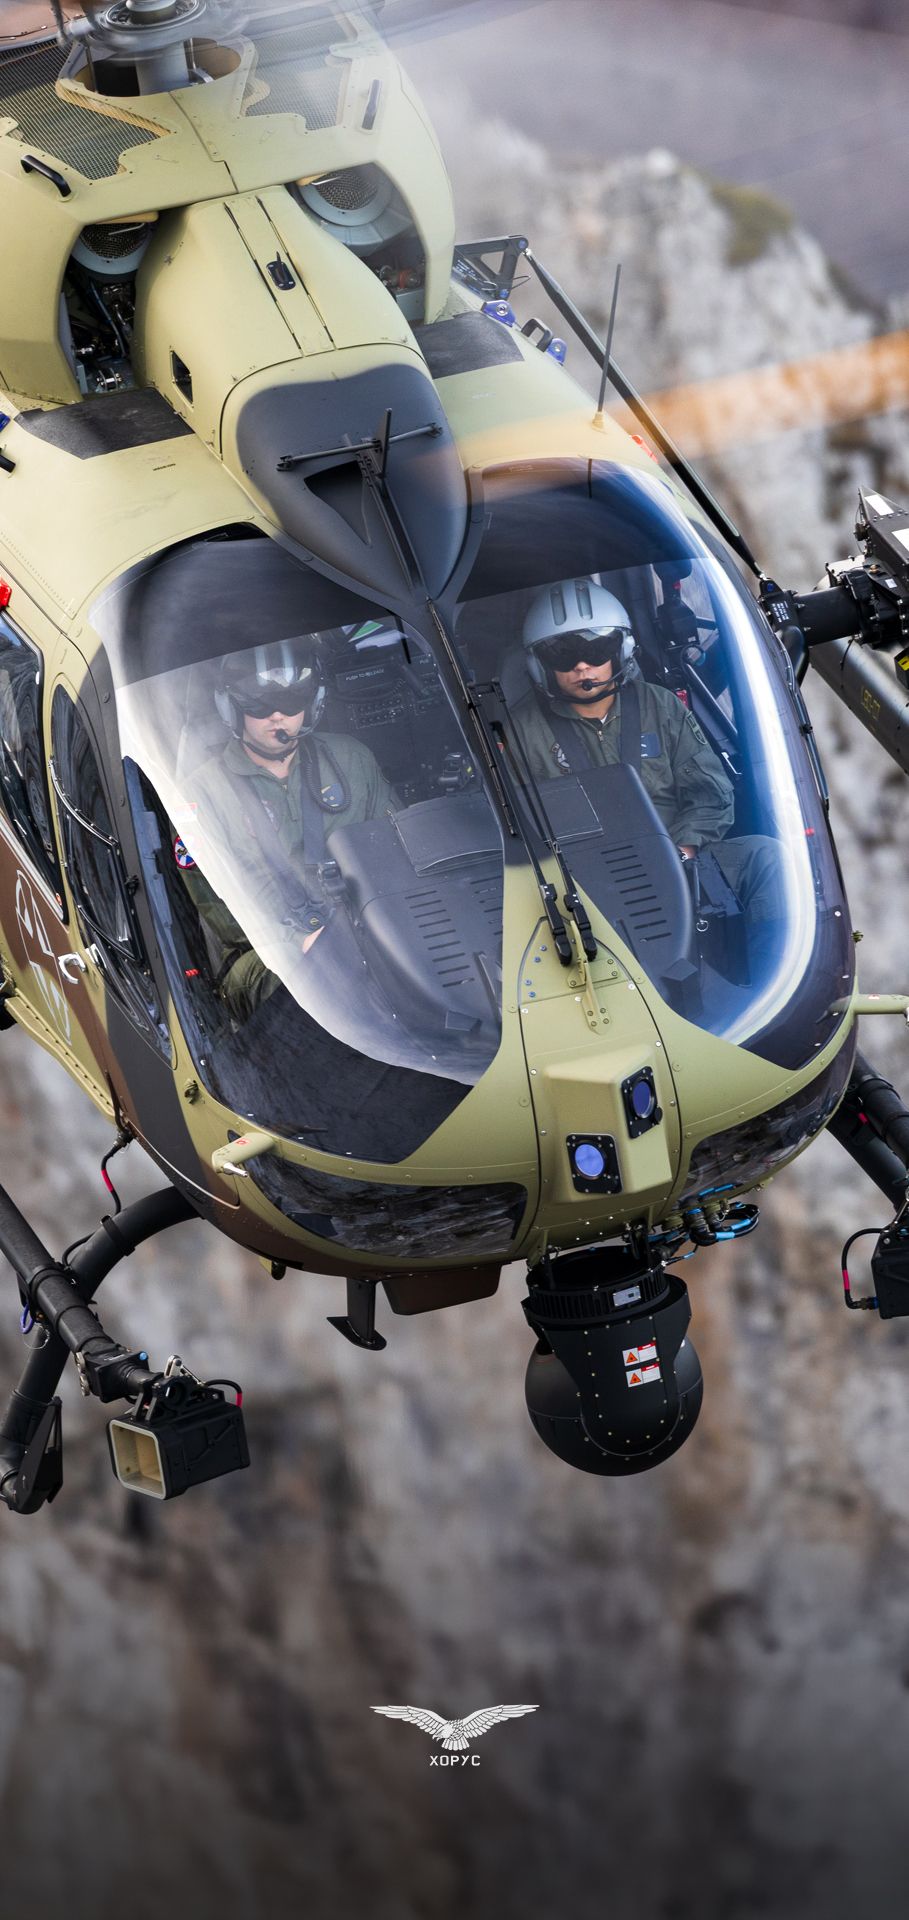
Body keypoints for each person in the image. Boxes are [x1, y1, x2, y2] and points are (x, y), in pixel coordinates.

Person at [507, 578, 785, 929]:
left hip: (679, 860)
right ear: (540, 665)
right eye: (563, 655)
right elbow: (514, 829)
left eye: (596, 651)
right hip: (578, 886)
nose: (582, 667)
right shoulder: (519, 732)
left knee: (766, 857)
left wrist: (682, 850)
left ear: (620, 651)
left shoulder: (660, 706)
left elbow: (711, 794)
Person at [179, 636, 397, 1020]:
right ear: (231, 707)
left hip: (363, 930)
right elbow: (219, 910)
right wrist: (298, 942)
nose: (278, 716)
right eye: (259, 704)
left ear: (313, 702)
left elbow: (398, 849)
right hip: (263, 953)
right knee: (304, 977)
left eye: (292, 700)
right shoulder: (201, 795)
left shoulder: (350, 760)